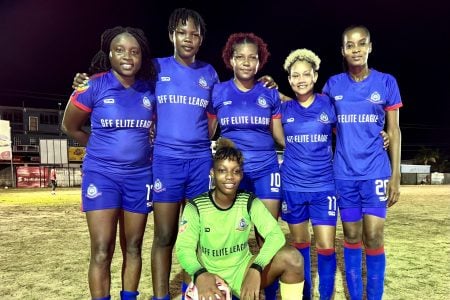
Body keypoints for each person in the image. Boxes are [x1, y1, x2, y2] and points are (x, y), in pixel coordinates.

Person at [71, 10, 278, 300]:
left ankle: (191, 293)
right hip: (165, 163)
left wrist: (267, 83)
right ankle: (160, 296)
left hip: (199, 163)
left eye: (194, 33)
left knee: (195, 238)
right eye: (182, 32)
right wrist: (85, 80)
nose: (188, 39)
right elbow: (125, 87)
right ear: (172, 35)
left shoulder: (209, 74)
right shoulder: (154, 69)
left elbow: (212, 121)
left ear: (201, 38)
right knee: (165, 236)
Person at [62, 26, 156, 300]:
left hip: (140, 177)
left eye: (134, 51)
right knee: (102, 249)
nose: (128, 56)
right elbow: (70, 127)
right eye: (120, 50)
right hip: (102, 176)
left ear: (142, 57)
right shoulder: (92, 85)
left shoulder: (149, 90)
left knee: (134, 247)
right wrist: (99, 148)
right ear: (109, 54)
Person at [322, 25, 402, 300]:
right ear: (342, 51)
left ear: (370, 47)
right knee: (352, 237)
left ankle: (374, 296)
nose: (355, 49)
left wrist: (395, 176)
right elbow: (319, 115)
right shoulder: (333, 85)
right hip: (343, 173)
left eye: (361, 43)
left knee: (374, 237)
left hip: (376, 173)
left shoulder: (386, 82)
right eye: (349, 45)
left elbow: (394, 131)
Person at [175, 138, 304, 300]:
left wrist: (256, 268)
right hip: (210, 274)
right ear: (212, 173)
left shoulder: (249, 201)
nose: (229, 177)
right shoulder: (196, 206)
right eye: (222, 171)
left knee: (292, 258)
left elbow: (275, 235)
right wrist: (200, 274)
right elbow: (183, 248)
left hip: (242, 271)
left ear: (241, 174)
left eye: (235, 171)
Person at [209, 32, 284, 299]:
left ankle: (269, 293)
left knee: (266, 236)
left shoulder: (269, 92)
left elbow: (280, 137)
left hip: (266, 170)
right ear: (231, 60)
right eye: (240, 57)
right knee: (231, 235)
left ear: (259, 61)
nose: (246, 62)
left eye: (252, 57)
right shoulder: (218, 91)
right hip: (232, 175)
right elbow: (207, 132)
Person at [280, 49, 338, 300]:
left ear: (315, 76)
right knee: (300, 245)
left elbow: (349, 134)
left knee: (325, 246)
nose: (301, 79)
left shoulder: (329, 104)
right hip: (292, 186)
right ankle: (304, 295)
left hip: (324, 186)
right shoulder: (283, 108)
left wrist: (382, 135)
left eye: (306, 74)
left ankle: (326, 295)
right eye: (295, 75)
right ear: (290, 79)